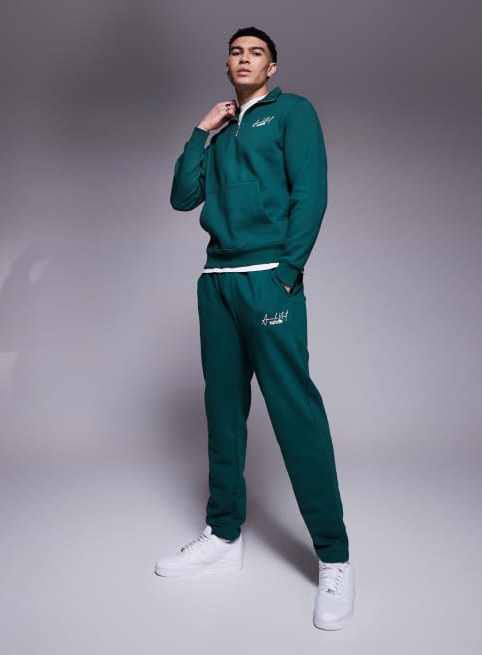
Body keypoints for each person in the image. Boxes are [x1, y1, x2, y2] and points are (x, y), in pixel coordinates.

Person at [154, 26, 355, 631]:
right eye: (237, 52)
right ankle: (223, 535)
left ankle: (335, 558)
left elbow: (311, 193)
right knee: (222, 412)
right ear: (227, 66)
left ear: (272, 66)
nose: (245, 59)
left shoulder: (294, 113)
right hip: (216, 282)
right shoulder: (219, 133)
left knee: (295, 414)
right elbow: (181, 197)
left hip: (269, 278)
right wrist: (200, 131)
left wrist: (288, 272)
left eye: (256, 53)